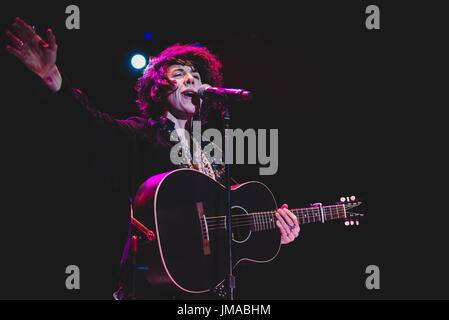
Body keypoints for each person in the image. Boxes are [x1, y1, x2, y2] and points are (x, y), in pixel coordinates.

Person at [5, 17, 300, 299]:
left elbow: (234, 217)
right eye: (179, 75)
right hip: (155, 282)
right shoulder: (141, 135)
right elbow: (88, 124)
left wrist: (277, 230)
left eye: (196, 77)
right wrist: (52, 76)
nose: (191, 81)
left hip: (209, 287)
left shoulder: (212, 153)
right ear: (159, 87)